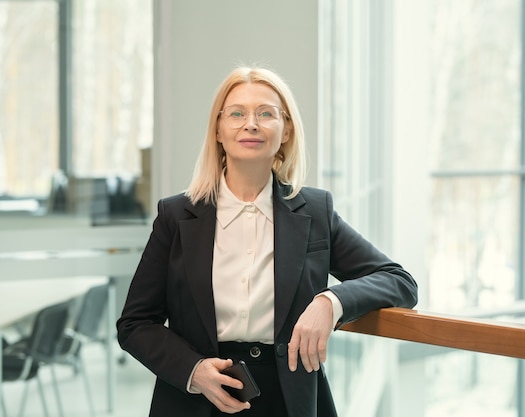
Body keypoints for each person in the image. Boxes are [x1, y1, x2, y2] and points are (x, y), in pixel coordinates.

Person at [116, 66, 418, 417]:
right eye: (237, 113)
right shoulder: (176, 216)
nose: (251, 124)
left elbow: (399, 281)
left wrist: (329, 302)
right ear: (218, 129)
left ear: (286, 129)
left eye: (266, 113)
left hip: (289, 400)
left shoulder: (316, 212)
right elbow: (135, 324)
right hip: (197, 400)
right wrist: (193, 371)